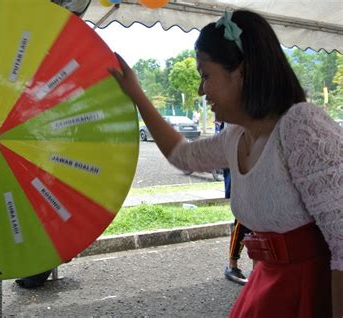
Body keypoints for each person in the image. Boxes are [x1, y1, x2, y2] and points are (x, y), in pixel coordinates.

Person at [109, 9, 342, 318]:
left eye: (206, 75)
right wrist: (136, 95)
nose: (200, 90)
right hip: (267, 286)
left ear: (241, 72)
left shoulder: (300, 126)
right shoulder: (235, 137)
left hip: (310, 295)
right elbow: (182, 155)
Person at [219, 122, 254, 285]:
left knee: (256, 222)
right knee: (243, 219)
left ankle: (257, 268)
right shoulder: (235, 120)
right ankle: (232, 265)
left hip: (254, 175)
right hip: (241, 176)